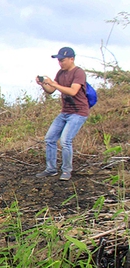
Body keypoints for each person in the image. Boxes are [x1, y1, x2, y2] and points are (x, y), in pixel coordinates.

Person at [35, 46, 90, 181]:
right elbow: (51, 91)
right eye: (59, 60)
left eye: (63, 60)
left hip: (78, 112)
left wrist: (53, 83)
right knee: (50, 138)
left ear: (71, 59)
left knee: (65, 141)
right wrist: (43, 84)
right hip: (65, 112)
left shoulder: (79, 73)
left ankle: (66, 170)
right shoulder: (61, 73)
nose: (60, 63)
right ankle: (51, 169)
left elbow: (72, 91)